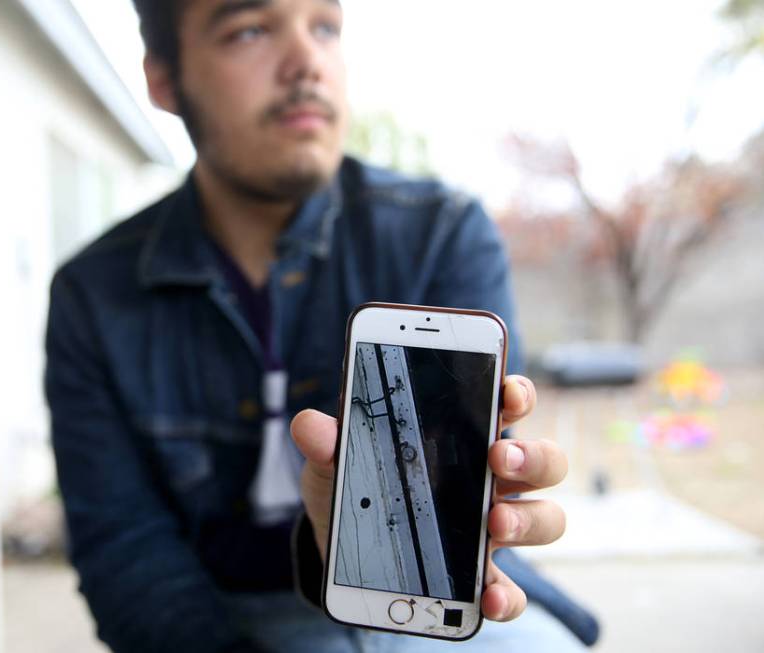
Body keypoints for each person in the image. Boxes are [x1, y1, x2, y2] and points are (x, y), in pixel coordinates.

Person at [44, 1, 590, 651]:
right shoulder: (94, 293)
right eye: (249, 29)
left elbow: (459, 497)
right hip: (219, 614)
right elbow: (126, 552)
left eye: (325, 27)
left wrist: (364, 539)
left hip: (432, 596)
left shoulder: (440, 233)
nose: (308, 63)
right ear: (164, 81)